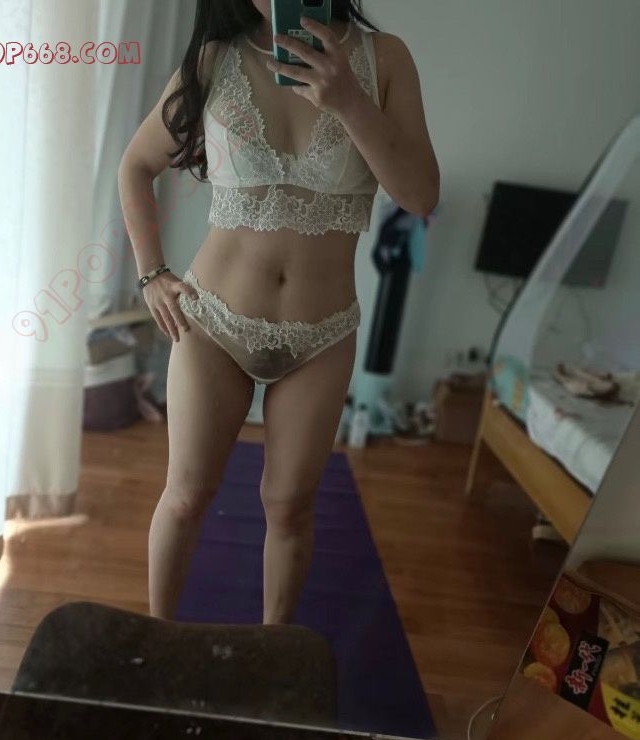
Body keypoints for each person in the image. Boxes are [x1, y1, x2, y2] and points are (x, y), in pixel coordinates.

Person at [118, 0, 439, 624]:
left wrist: (349, 101)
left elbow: (421, 196)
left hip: (323, 333)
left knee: (290, 507)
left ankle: (273, 655)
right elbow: (136, 165)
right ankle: (155, 645)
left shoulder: (384, 59)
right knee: (185, 497)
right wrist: (151, 272)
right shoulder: (215, 59)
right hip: (213, 321)